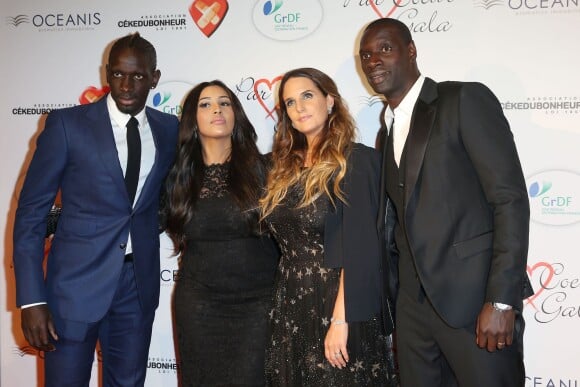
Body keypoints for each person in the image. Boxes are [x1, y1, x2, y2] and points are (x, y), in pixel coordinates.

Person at [358, 18, 532, 386]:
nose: (374, 60)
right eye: (366, 54)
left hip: (475, 306)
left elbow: (510, 200)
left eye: (385, 49)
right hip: (413, 315)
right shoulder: (384, 132)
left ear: (411, 51)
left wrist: (502, 300)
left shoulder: (463, 100)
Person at [13, 33, 179, 386]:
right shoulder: (67, 125)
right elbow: (30, 214)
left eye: (137, 76)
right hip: (73, 287)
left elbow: (162, 199)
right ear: (107, 73)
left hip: (137, 285)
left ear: (155, 78)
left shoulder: (169, 129)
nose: (126, 84)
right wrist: (30, 300)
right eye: (118, 74)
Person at [260, 67, 398, 386]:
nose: (300, 107)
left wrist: (340, 319)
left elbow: (361, 247)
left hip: (340, 299)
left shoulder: (357, 161)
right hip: (290, 300)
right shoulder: (281, 168)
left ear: (330, 100)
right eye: (290, 102)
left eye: (307, 96)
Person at [164, 80, 279, 386]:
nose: (217, 109)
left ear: (236, 114)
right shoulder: (177, 177)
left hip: (259, 303)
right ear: (192, 118)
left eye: (225, 102)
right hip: (200, 305)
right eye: (205, 104)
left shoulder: (267, 169)